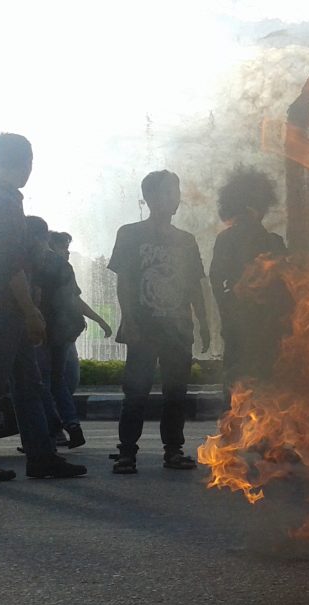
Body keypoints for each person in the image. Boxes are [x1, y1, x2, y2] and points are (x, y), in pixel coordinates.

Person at [0, 133, 86, 482]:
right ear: (27, 163)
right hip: (6, 307)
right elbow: (10, 264)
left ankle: (41, 456)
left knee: (29, 384)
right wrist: (30, 311)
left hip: (7, 306)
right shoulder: (4, 204)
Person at [109, 170, 210, 474]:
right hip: (144, 327)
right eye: (168, 192)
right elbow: (124, 282)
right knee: (136, 391)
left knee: (176, 392)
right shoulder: (130, 234)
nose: (175, 198)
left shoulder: (186, 240)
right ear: (151, 197)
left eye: (176, 192)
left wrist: (204, 322)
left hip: (178, 329)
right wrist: (130, 321)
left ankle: (174, 450)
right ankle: (127, 452)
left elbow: (195, 286)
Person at [209, 166, 287, 396]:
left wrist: (225, 308)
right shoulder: (270, 242)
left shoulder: (269, 241)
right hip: (251, 324)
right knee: (248, 384)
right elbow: (216, 279)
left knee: (244, 384)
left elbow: (216, 279)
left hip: (259, 324)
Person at [37, 230, 113, 449]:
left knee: (42, 383)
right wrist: (99, 320)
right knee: (57, 381)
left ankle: (52, 432)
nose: (67, 253)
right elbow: (74, 301)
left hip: (45, 334)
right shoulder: (61, 267)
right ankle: (71, 427)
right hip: (61, 334)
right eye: (64, 247)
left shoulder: (40, 265)